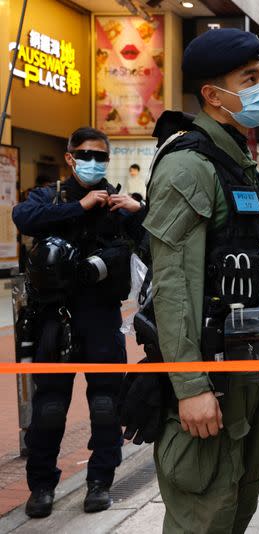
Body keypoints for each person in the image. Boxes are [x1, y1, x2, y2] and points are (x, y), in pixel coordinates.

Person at [143, 28, 259, 532]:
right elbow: (173, 286)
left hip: (244, 374)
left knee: (235, 508)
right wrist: (189, 386)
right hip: (208, 377)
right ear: (212, 94)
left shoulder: (237, 161)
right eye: (248, 78)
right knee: (203, 516)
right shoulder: (190, 164)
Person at [13, 127, 146, 518]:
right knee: (50, 406)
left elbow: (150, 241)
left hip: (101, 315)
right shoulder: (50, 197)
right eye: (86, 154)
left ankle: (100, 481)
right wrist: (81, 205)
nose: (94, 162)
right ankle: (41, 487)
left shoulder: (119, 203)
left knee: (106, 403)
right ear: (70, 157)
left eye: (101, 156)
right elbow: (24, 217)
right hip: (53, 317)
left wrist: (140, 212)